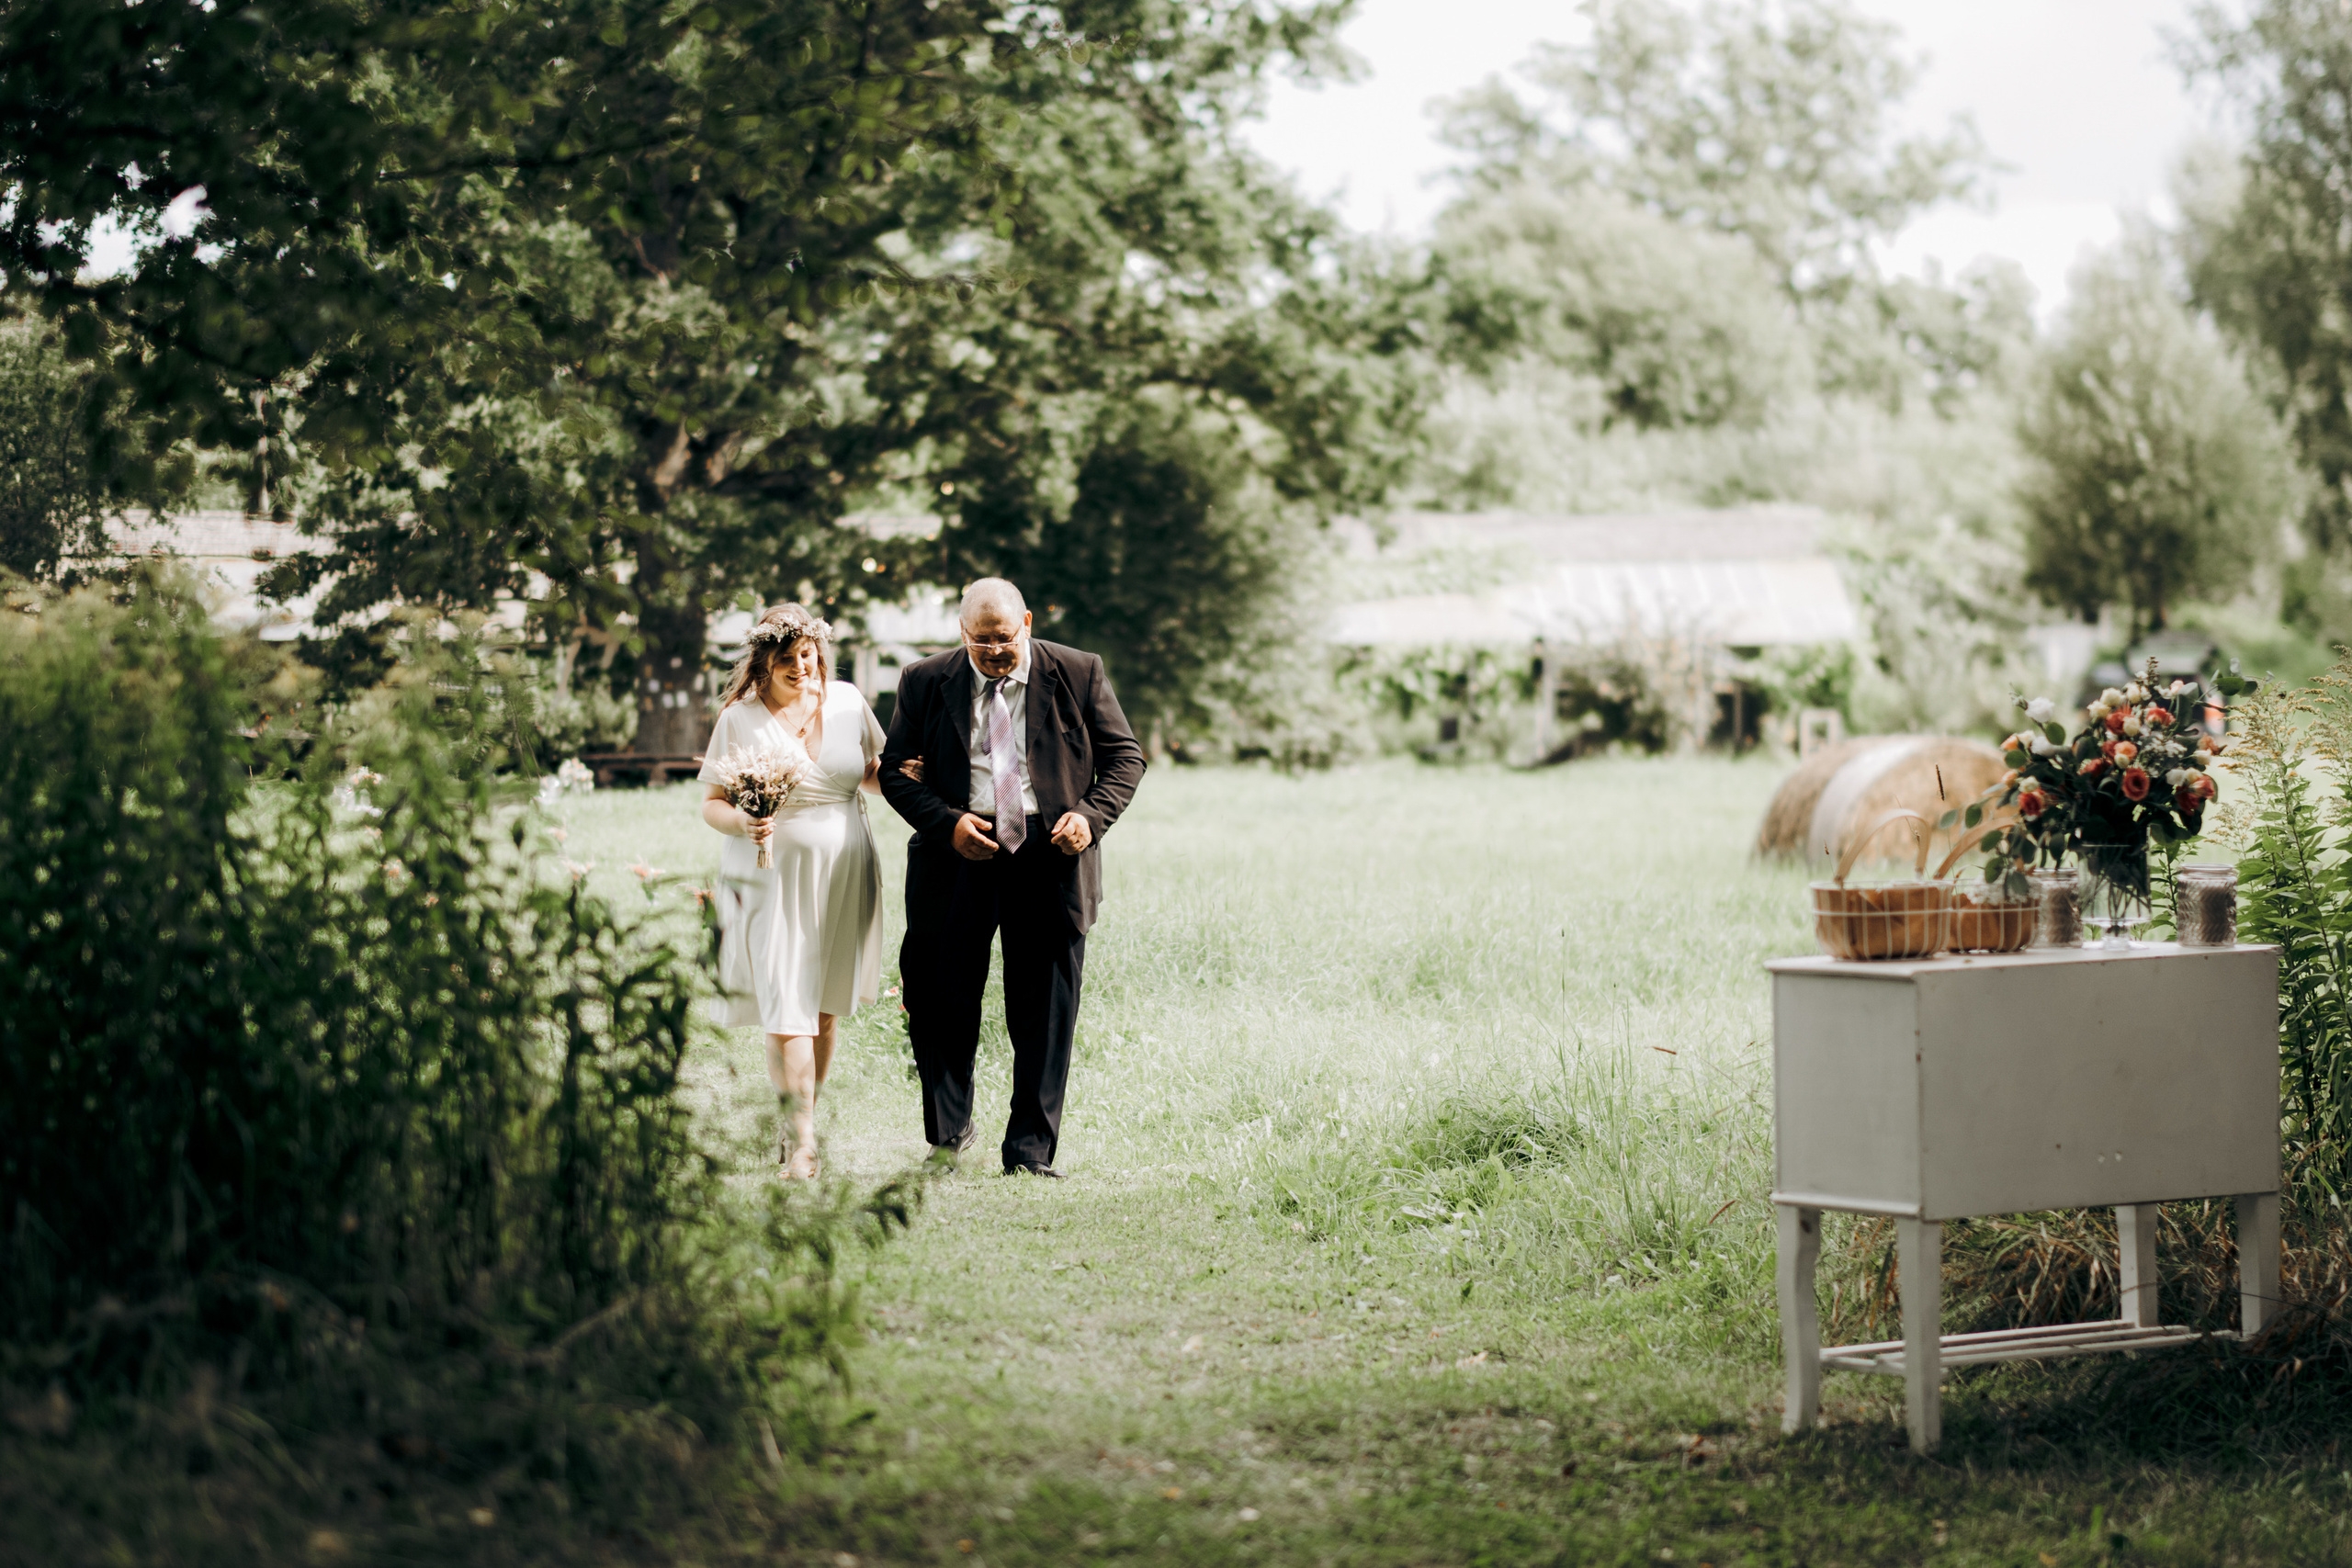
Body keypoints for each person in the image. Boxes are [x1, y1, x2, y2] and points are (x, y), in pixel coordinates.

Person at [879, 578, 1147, 1177]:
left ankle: (1029, 1151)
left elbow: (1126, 756)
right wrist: (946, 823)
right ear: (962, 631)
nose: (996, 651)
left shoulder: (1079, 671)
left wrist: (1090, 816)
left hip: (1049, 855)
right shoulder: (924, 680)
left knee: (1045, 1008)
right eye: (983, 641)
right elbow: (894, 771)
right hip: (957, 855)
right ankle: (948, 1133)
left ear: (1026, 621)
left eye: (1005, 637)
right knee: (940, 998)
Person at [697, 604, 887, 1179]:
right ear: (763, 661)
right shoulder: (740, 718)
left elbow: (872, 771)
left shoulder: (850, 701)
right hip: (769, 873)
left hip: (845, 869)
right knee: (787, 1005)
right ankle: (804, 1142)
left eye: (808, 655)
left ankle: (796, 1121)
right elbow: (711, 805)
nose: (801, 668)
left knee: (824, 1008)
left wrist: (915, 778)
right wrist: (745, 823)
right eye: (787, 660)